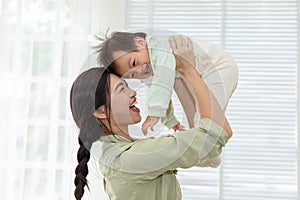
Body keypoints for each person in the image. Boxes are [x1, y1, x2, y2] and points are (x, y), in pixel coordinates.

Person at [70, 35, 232, 200]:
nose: (133, 93)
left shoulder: (119, 155)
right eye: (121, 89)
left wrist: (179, 75)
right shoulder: (130, 159)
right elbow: (215, 135)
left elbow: (206, 150)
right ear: (101, 111)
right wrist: (188, 70)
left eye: (127, 86)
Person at [95, 31, 238, 135]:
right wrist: (171, 121)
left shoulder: (158, 47)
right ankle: (209, 156)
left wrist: (154, 114)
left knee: (205, 119)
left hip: (218, 67)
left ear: (140, 42)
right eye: (133, 74)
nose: (140, 71)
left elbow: (162, 82)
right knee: (198, 122)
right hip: (202, 74)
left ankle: (209, 154)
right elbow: (160, 92)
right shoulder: (150, 70)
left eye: (134, 62)